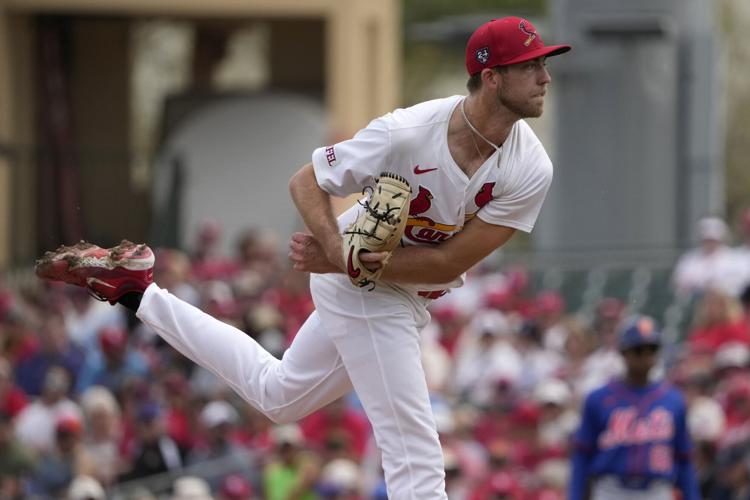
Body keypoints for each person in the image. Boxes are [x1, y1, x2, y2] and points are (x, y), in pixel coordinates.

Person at [34, 16, 571, 498]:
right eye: (531, 66)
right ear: (492, 77)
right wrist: (339, 252)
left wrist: (338, 259)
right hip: (362, 285)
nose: (545, 76)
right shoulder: (408, 132)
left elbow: (448, 264)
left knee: (279, 396)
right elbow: (308, 181)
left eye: (544, 64)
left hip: (387, 280)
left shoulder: (530, 166)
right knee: (418, 459)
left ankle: (138, 292)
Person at [568, 315, 700, 500]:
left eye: (651, 350)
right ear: (623, 352)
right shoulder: (598, 398)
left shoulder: (673, 400)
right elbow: (582, 455)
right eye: (638, 350)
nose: (645, 357)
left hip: (656, 490)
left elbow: (684, 459)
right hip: (611, 489)